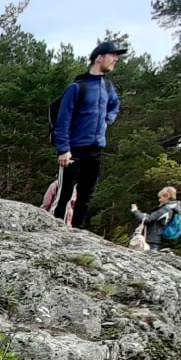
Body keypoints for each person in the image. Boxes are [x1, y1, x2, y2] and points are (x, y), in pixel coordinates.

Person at [52, 40, 125, 231]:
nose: (116, 59)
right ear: (99, 58)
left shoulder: (108, 88)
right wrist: (63, 149)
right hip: (74, 149)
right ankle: (53, 232)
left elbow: (115, 105)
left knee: (86, 195)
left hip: (96, 148)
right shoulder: (77, 88)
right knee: (65, 194)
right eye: (113, 55)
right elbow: (63, 121)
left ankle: (78, 232)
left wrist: (108, 119)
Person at [131, 186, 181, 250]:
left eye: (160, 197)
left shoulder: (166, 209)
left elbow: (147, 219)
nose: (159, 200)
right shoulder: (171, 209)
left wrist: (135, 211)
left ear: (166, 196)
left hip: (152, 239)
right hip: (154, 239)